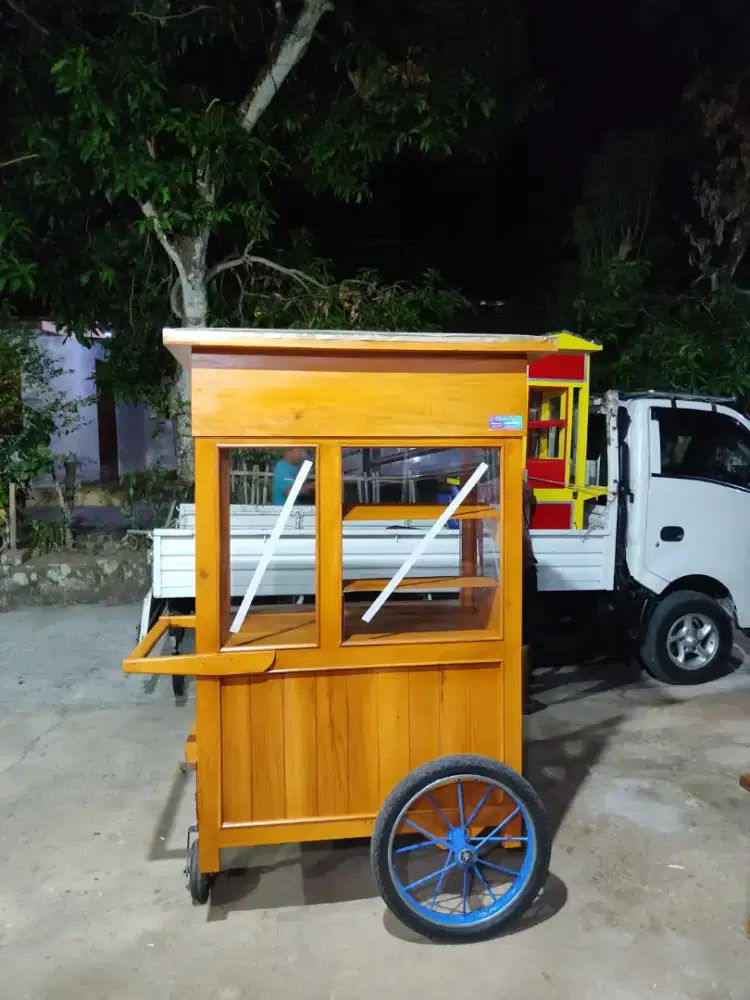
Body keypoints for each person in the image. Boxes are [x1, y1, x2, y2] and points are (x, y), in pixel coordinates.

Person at [522, 472, 542, 715]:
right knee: (526, 635)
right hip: (523, 566)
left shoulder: (482, 488)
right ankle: (522, 698)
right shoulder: (523, 487)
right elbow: (533, 509)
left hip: (500, 567)